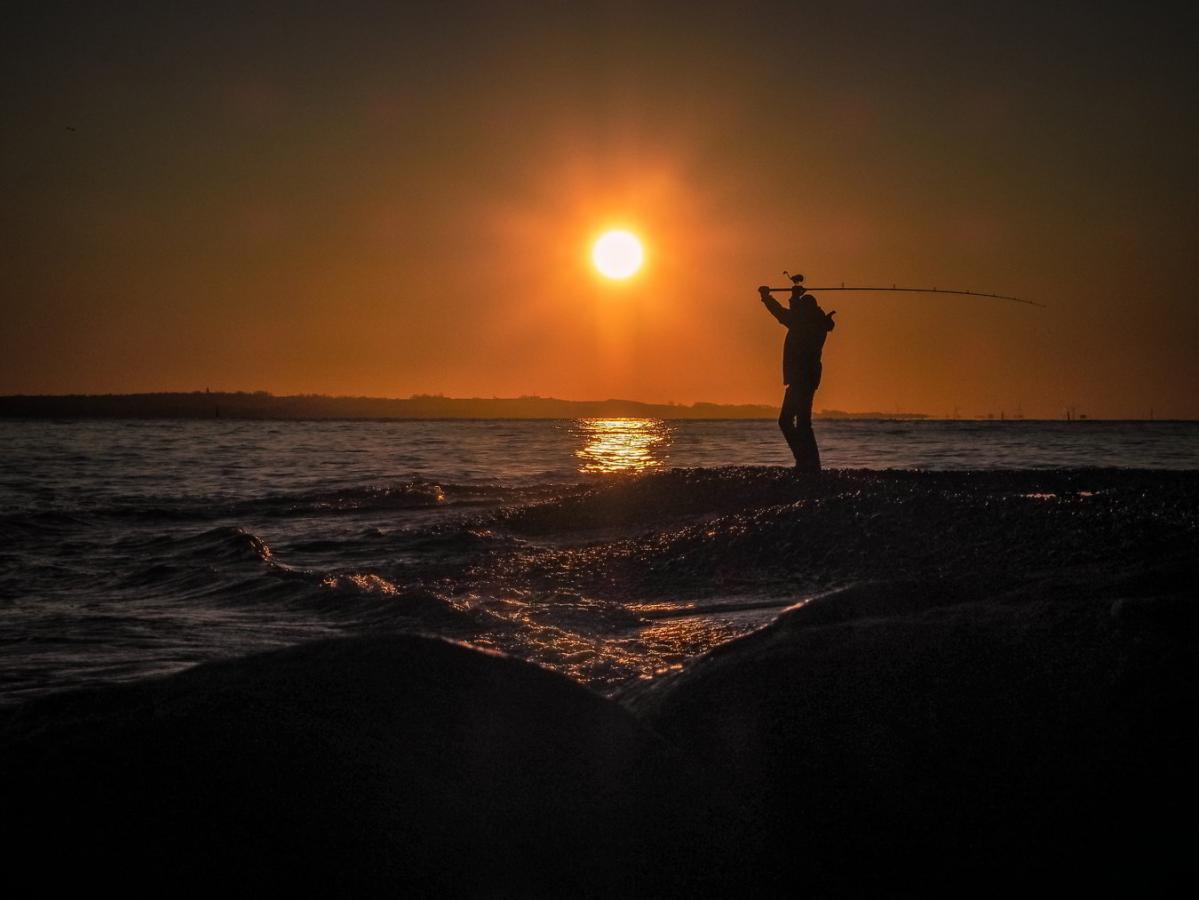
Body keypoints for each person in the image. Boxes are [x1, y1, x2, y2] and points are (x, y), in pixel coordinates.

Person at [758, 277, 836, 472]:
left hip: (802, 378)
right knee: (800, 422)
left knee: (789, 421)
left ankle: (807, 463)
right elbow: (786, 315)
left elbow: (784, 314)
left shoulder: (807, 325)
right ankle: (808, 463)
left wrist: (771, 297)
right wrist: (772, 298)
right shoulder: (816, 323)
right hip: (806, 378)